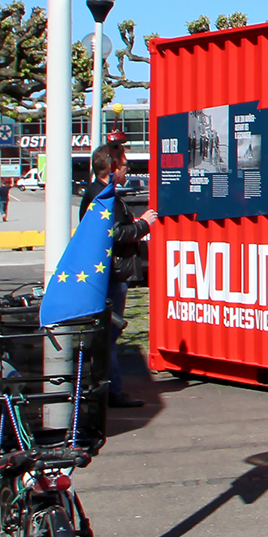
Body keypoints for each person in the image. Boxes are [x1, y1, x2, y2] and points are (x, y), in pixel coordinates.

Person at [84, 145, 156, 408]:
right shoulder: (105, 196)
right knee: (110, 333)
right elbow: (113, 233)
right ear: (113, 168)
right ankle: (112, 390)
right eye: (125, 166)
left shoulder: (95, 193)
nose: (128, 170)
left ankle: (103, 387)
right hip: (112, 275)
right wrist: (142, 225)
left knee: (104, 334)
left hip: (106, 273)